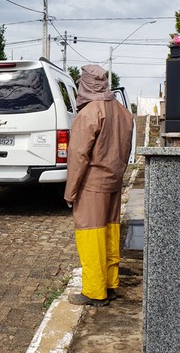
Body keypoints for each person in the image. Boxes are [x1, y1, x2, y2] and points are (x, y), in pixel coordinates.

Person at [64, 65, 134, 306]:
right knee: (110, 232)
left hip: (92, 184)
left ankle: (94, 291)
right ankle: (110, 283)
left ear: (84, 84)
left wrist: (71, 190)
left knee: (91, 235)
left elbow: (78, 156)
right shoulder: (123, 112)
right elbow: (125, 150)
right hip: (114, 181)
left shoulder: (90, 113)